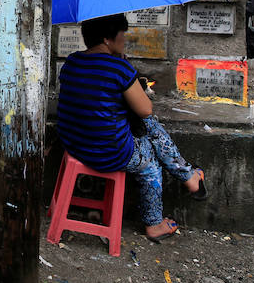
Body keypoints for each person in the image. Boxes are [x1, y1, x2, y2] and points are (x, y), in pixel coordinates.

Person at [56, 13, 207, 242]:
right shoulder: (119, 68)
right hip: (108, 153)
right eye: (122, 35)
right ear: (108, 39)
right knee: (150, 158)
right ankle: (157, 220)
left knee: (147, 128)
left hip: (75, 144)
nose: (124, 40)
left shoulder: (73, 61)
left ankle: (188, 175)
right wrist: (125, 68)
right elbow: (146, 109)